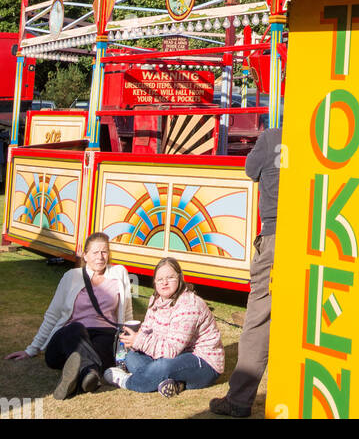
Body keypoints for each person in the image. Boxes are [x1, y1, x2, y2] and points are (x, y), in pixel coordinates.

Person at [209, 116, 282, 418]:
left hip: (276, 235)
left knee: (259, 317)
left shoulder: (271, 137)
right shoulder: (327, 138)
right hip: (319, 234)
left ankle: (239, 399)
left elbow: (251, 170)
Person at [5, 231, 132, 399]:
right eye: (95, 252)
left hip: (105, 335)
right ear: (85, 255)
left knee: (99, 347)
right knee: (76, 328)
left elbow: (128, 312)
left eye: (104, 252)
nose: (100, 257)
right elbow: (52, 315)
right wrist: (31, 350)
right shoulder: (71, 277)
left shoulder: (119, 273)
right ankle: (88, 373)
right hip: (71, 336)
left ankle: (81, 375)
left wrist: (131, 344)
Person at [103, 257, 223, 397]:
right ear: (154, 282)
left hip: (202, 361)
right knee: (132, 357)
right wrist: (136, 339)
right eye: (160, 279)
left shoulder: (189, 305)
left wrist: (139, 341)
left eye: (170, 277)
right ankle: (174, 383)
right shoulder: (155, 299)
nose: (164, 283)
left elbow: (171, 350)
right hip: (175, 355)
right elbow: (148, 329)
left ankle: (126, 381)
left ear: (180, 278)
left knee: (163, 366)